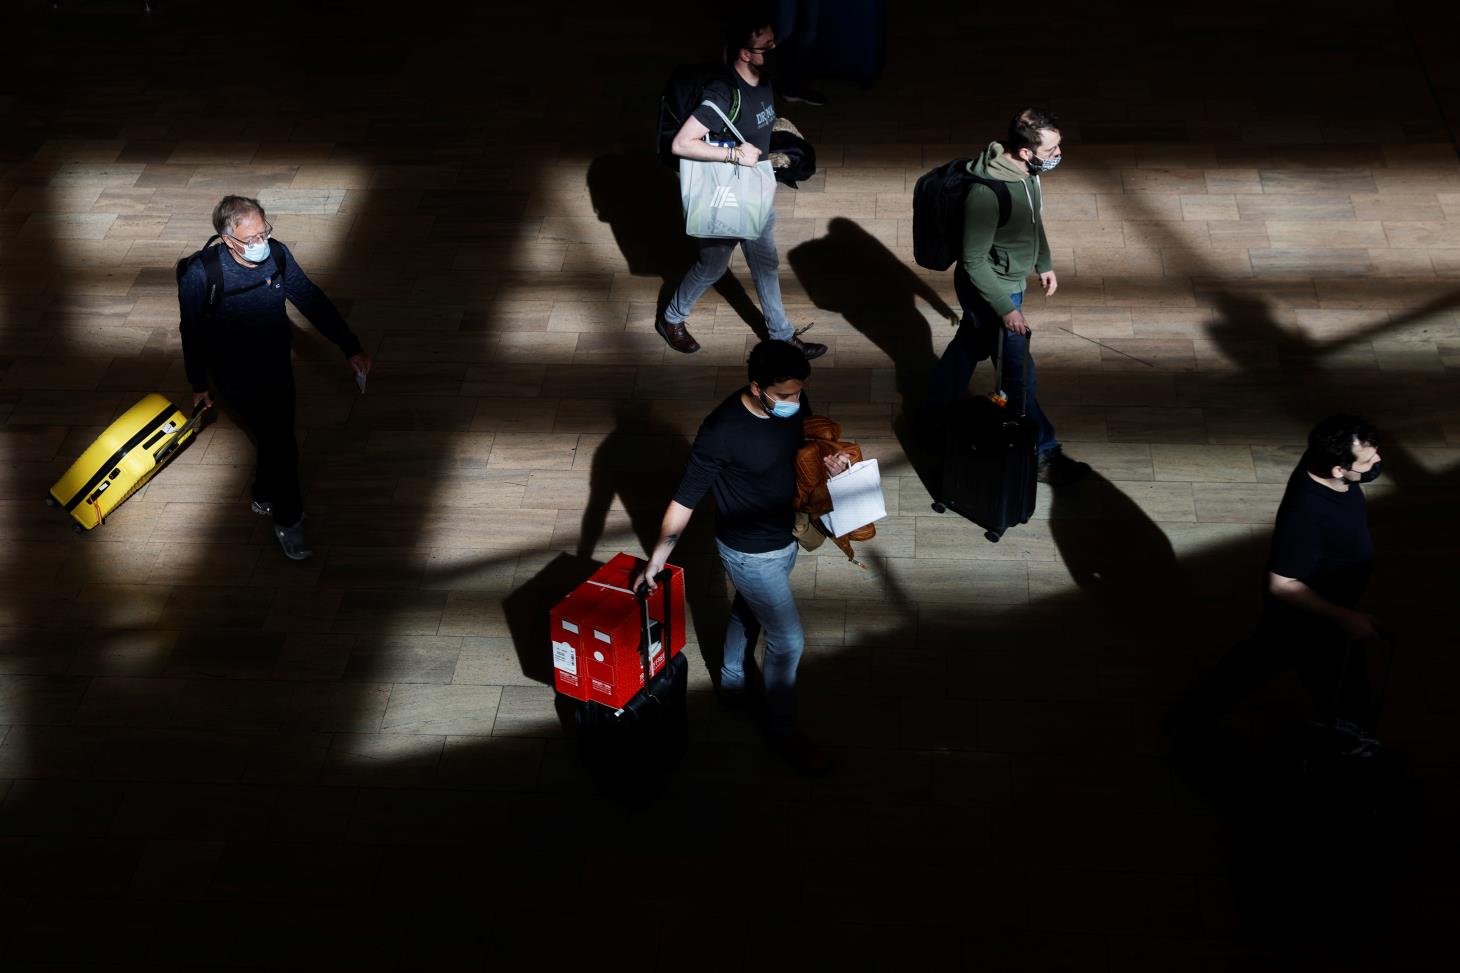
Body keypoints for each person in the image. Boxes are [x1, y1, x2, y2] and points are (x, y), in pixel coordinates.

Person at [632, 340, 835, 774]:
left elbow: (804, 445)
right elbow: (685, 499)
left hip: (785, 534)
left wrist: (827, 460)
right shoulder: (722, 431)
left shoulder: (793, 400)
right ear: (756, 386)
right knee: (788, 640)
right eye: (784, 396)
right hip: (749, 554)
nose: (794, 402)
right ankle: (783, 733)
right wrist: (655, 560)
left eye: (798, 392)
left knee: (749, 610)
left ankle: (731, 682)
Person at [1167, 415, 1384, 751]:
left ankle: (1188, 717)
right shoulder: (1307, 514)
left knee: (1259, 662)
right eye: (1368, 460)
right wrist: (1345, 617)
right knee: (1330, 679)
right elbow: (1282, 584)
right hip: (1312, 618)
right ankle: (1355, 740)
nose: (1378, 462)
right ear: (1338, 469)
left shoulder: (1328, 468)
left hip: (1330, 609)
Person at [178, 195, 371, 561]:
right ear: (226, 239)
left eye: (264, 232)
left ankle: (263, 495)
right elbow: (192, 331)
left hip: (277, 364)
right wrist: (198, 382)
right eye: (250, 240)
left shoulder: (277, 255)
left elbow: (310, 299)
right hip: (234, 374)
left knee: (275, 437)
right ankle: (289, 518)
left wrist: (350, 346)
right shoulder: (201, 275)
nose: (260, 244)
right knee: (282, 444)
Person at [923, 108, 1089, 485]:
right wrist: (1004, 309)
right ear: (1026, 152)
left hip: (1010, 284)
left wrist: (1042, 262)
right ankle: (1044, 450)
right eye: (1052, 150)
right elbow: (973, 261)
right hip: (992, 292)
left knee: (969, 343)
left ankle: (934, 407)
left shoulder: (1027, 174)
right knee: (1020, 379)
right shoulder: (986, 194)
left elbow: (1033, 222)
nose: (1057, 155)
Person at [657, 12, 827, 361]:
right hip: (728, 194)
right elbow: (682, 143)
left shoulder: (763, 79)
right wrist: (736, 154)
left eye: (774, 43)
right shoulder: (722, 92)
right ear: (744, 53)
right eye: (766, 47)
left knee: (765, 262)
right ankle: (672, 318)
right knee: (713, 266)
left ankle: (780, 337)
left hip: (755, 191)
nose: (774, 51)